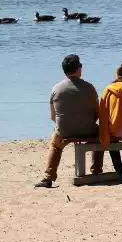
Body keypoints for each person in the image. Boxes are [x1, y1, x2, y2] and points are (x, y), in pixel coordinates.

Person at [34, 55, 104, 188]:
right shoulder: (89, 88)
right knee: (100, 134)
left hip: (64, 130)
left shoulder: (56, 88)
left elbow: (53, 116)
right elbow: (98, 113)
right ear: (78, 69)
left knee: (55, 145)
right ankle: (96, 171)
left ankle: (48, 178)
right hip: (87, 129)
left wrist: (65, 125)